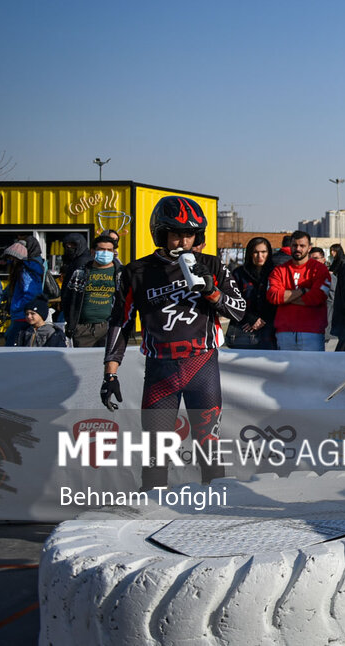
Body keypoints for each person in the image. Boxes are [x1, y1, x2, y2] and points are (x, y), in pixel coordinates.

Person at [103, 195, 245, 489]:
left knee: (210, 448)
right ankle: (150, 518)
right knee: (155, 453)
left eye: (189, 234)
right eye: (176, 233)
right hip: (160, 371)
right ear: (161, 233)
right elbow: (120, 322)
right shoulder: (136, 272)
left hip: (202, 367)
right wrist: (110, 373)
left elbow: (240, 311)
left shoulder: (212, 264)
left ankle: (215, 517)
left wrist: (212, 291)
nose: (182, 241)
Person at [267, 230, 331, 351]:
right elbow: (273, 296)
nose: (298, 248)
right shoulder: (279, 270)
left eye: (302, 246)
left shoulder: (320, 270)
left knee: (312, 369)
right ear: (290, 246)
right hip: (284, 332)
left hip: (312, 332)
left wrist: (286, 299)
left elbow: (318, 297)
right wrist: (303, 291)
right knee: (283, 370)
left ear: (309, 248)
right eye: (295, 245)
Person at [62, 234, 122, 347]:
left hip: (109, 327)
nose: (105, 252)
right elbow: (68, 298)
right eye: (101, 249)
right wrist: (73, 324)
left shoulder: (121, 274)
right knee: (82, 363)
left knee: (109, 362)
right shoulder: (80, 272)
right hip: (83, 329)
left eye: (109, 250)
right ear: (93, 251)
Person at [226, 237, 276, 349]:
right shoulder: (239, 274)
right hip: (243, 328)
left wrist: (262, 319)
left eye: (264, 252)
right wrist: (250, 318)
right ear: (249, 254)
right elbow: (232, 301)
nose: (260, 256)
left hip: (270, 328)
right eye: (256, 252)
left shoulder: (276, 272)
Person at [2, 240, 44, 347]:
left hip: (22, 316)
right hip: (19, 316)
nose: (8, 262)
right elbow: (9, 291)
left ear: (17, 259)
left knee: (11, 347)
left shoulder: (25, 272)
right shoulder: (21, 272)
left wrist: (20, 308)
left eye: (10, 259)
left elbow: (30, 294)